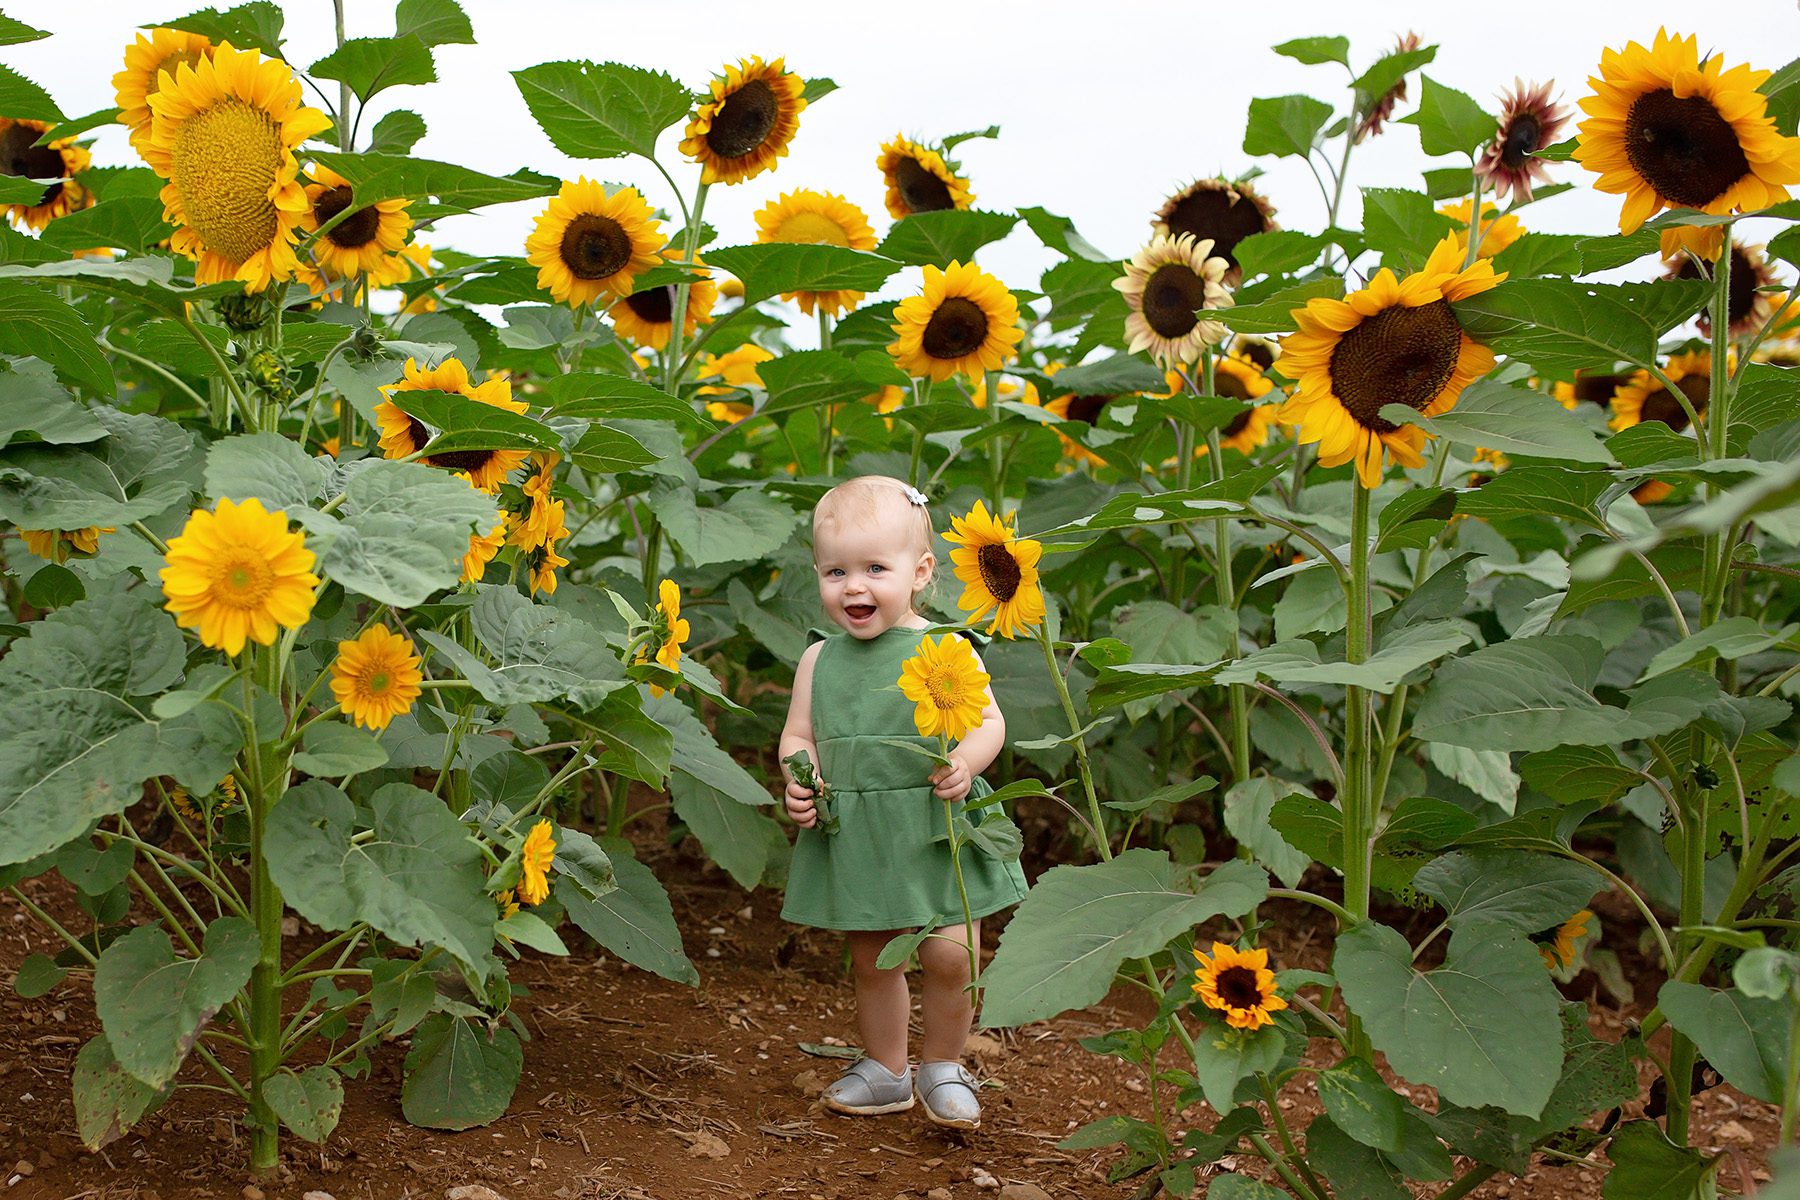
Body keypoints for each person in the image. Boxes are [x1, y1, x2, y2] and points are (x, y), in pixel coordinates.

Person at [778, 475, 1028, 1131]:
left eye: (874, 569)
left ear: (920, 572)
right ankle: (887, 1068)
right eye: (836, 571)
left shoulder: (946, 647)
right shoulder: (818, 660)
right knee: (874, 958)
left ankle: (943, 1064)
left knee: (952, 955)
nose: (853, 586)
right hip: (861, 828)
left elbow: (990, 723)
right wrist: (799, 778)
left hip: (932, 821)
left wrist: (965, 761)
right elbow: (798, 735)